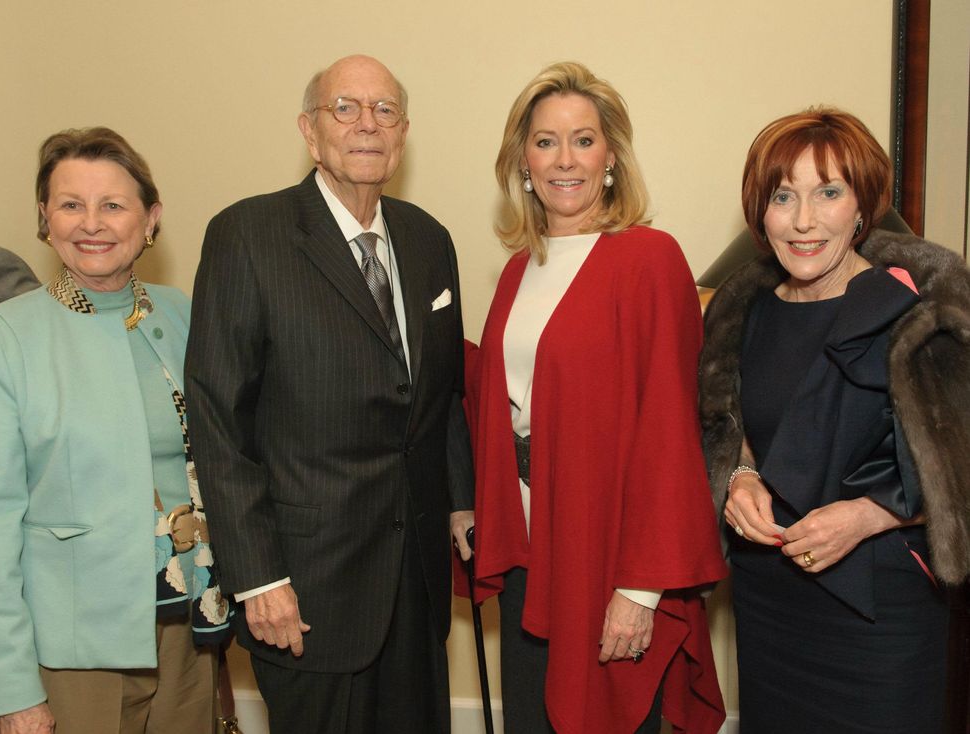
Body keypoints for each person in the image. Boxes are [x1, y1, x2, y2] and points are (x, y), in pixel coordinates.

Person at [184, 55, 474, 734]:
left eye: (385, 111)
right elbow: (218, 421)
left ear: (403, 134)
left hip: (416, 581)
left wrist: (461, 501)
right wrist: (257, 578)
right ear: (309, 132)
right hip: (306, 587)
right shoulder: (248, 236)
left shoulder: (430, 240)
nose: (366, 125)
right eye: (345, 108)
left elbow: (440, 396)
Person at [465, 61, 727, 734]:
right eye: (545, 141)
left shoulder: (649, 260)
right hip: (529, 554)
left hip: (607, 559)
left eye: (583, 139)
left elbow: (671, 434)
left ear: (611, 155)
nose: (565, 160)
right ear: (522, 161)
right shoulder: (520, 270)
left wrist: (640, 591)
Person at [699, 107, 970, 733]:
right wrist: (740, 477)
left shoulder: (922, 313)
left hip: (882, 611)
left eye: (828, 192)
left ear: (862, 204)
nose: (802, 221)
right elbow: (731, 423)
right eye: (782, 196)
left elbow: (960, 471)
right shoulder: (744, 314)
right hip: (770, 600)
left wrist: (867, 516)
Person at [0, 127, 231, 734]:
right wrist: (12, 687)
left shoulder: (181, 312)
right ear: (45, 219)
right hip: (73, 647)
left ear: (151, 220)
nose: (90, 223)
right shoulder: (6, 336)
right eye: (71, 204)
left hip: (190, 628)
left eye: (113, 205)